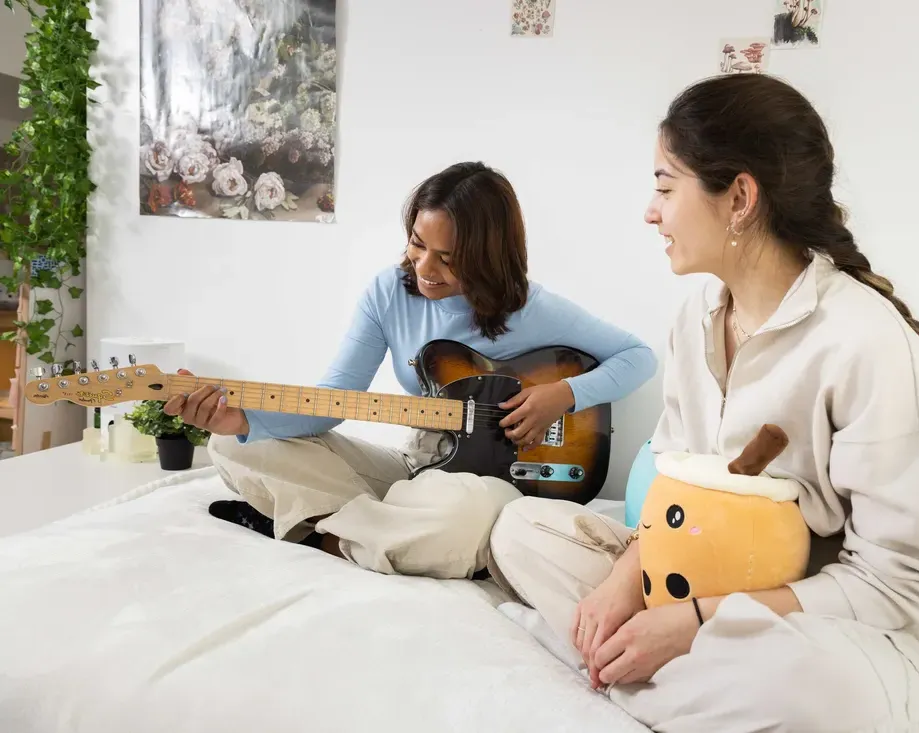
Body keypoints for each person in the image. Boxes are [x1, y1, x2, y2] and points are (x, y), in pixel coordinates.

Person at [487, 74, 919, 732]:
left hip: (848, 627)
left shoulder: (862, 340)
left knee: (811, 692)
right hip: (698, 572)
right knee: (520, 532)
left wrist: (697, 622)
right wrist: (623, 580)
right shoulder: (695, 318)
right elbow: (674, 489)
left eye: (665, 187)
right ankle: (646, 666)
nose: (650, 211)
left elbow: (900, 583)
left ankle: (622, 672)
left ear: (740, 198)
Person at [165, 161, 658, 579]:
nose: (425, 267)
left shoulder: (532, 308)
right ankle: (378, 535)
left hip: (480, 482)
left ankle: (324, 535)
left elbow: (638, 357)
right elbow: (332, 400)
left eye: (449, 258)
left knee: (469, 514)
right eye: (417, 244)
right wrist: (246, 420)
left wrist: (562, 395)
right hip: (414, 466)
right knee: (230, 445)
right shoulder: (387, 293)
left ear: (489, 258)